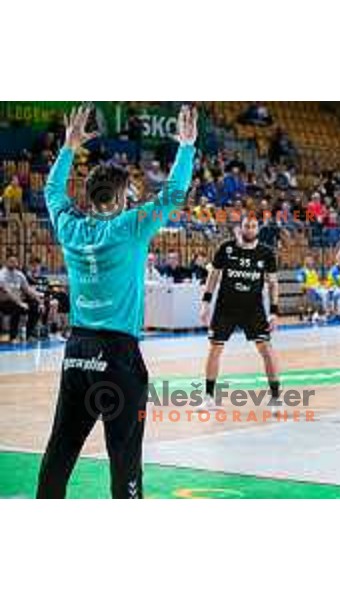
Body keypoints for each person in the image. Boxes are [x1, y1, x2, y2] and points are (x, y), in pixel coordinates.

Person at [36, 104, 197, 498]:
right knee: (124, 456)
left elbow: (52, 191)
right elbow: (174, 193)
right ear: (123, 197)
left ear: (90, 196)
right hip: (118, 355)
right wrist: (187, 147)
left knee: (61, 448)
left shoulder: (70, 226)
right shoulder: (130, 226)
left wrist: (69, 148)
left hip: (77, 352)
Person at [199, 216, 281, 413]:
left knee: (267, 351)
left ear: (258, 229)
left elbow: (273, 283)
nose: (250, 229)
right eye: (247, 226)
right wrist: (205, 302)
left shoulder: (266, 253)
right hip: (226, 307)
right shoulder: (226, 248)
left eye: (253, 226)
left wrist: (274, 312)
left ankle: (276, 397)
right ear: (240, 228)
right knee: (215, 349)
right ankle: (209, 397)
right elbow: (213, 275)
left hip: (253, 309)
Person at [0, 254, 44, 342]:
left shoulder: (19, 275)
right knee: (17, 308)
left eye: (15, 261)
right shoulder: (2, 274)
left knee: (36, 307)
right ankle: (13, 336)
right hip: (4, 302)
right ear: (6, 262)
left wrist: (40, 302)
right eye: (11, 261)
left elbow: (27, 289)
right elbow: (8, 292)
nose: (13, 263)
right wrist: (20, 303)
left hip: (18, 301)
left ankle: (29, 335)